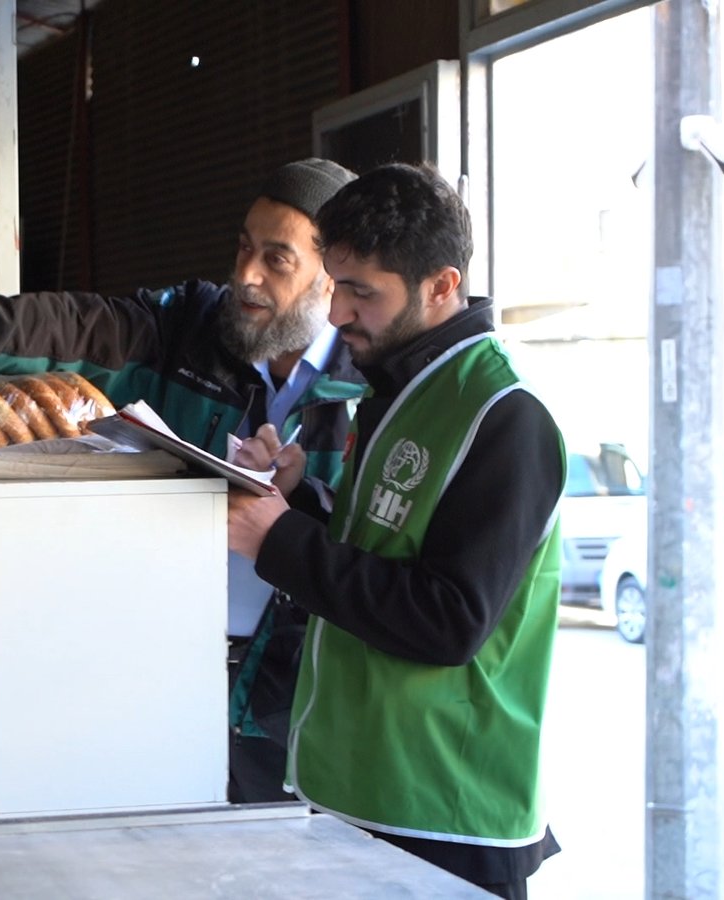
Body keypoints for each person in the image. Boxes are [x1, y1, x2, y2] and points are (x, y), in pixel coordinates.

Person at [0, 159, 365, 802]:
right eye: (243, 247)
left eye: (276, 260)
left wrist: (299, 502)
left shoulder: (374, 388)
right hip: (153, 671)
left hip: (298, 698)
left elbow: (377, 560)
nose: (245, 274)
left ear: (333, 276)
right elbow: (79, 325)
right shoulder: (188, 329)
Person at [225, 162, 564, 899]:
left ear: (442, 286)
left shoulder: (506, 415)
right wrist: (296, 503)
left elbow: (448, 620)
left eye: (363, 292)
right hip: (360, 787)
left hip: (447, 812)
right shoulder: (398, 390)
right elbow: (380, 554)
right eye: (335, 285)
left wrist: (277, 540)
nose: (338, 313)